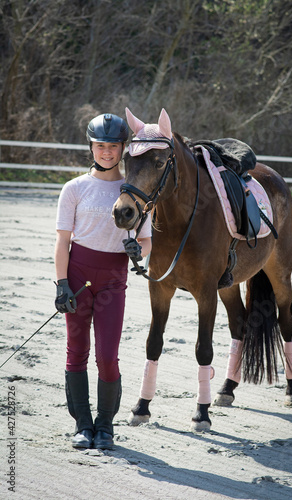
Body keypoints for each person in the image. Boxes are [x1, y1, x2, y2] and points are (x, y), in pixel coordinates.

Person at [54, 113, 152, 450]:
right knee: (76, 352)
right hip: (78, 278)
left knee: (107, 356)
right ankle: (83, 425)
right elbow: (62, 242)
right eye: (100, 145)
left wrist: (136, 249)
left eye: (112, 146)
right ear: (91, 147)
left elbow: (147, 242)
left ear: (123, 148)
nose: (106, 152)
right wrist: (61, 284)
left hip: (113, 280)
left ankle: (105, 426)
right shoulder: (75, 188)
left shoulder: (134, 192)